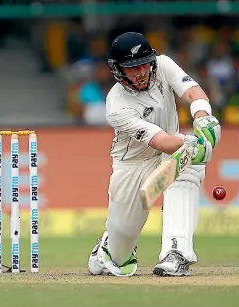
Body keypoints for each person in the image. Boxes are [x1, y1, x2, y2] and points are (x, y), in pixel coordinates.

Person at [87, 32, 221, 277]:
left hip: (171, 153)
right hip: (132, 166)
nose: (140, 72)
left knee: (187, 164)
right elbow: (162, 141)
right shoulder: (116, 105)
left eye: (144, 64)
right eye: (132, 68)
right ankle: (109, 247)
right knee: (119, 258)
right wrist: (193, 142)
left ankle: (176, 253)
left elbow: (193, 92)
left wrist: (204, 119)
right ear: (118, 70)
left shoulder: (164, 66)